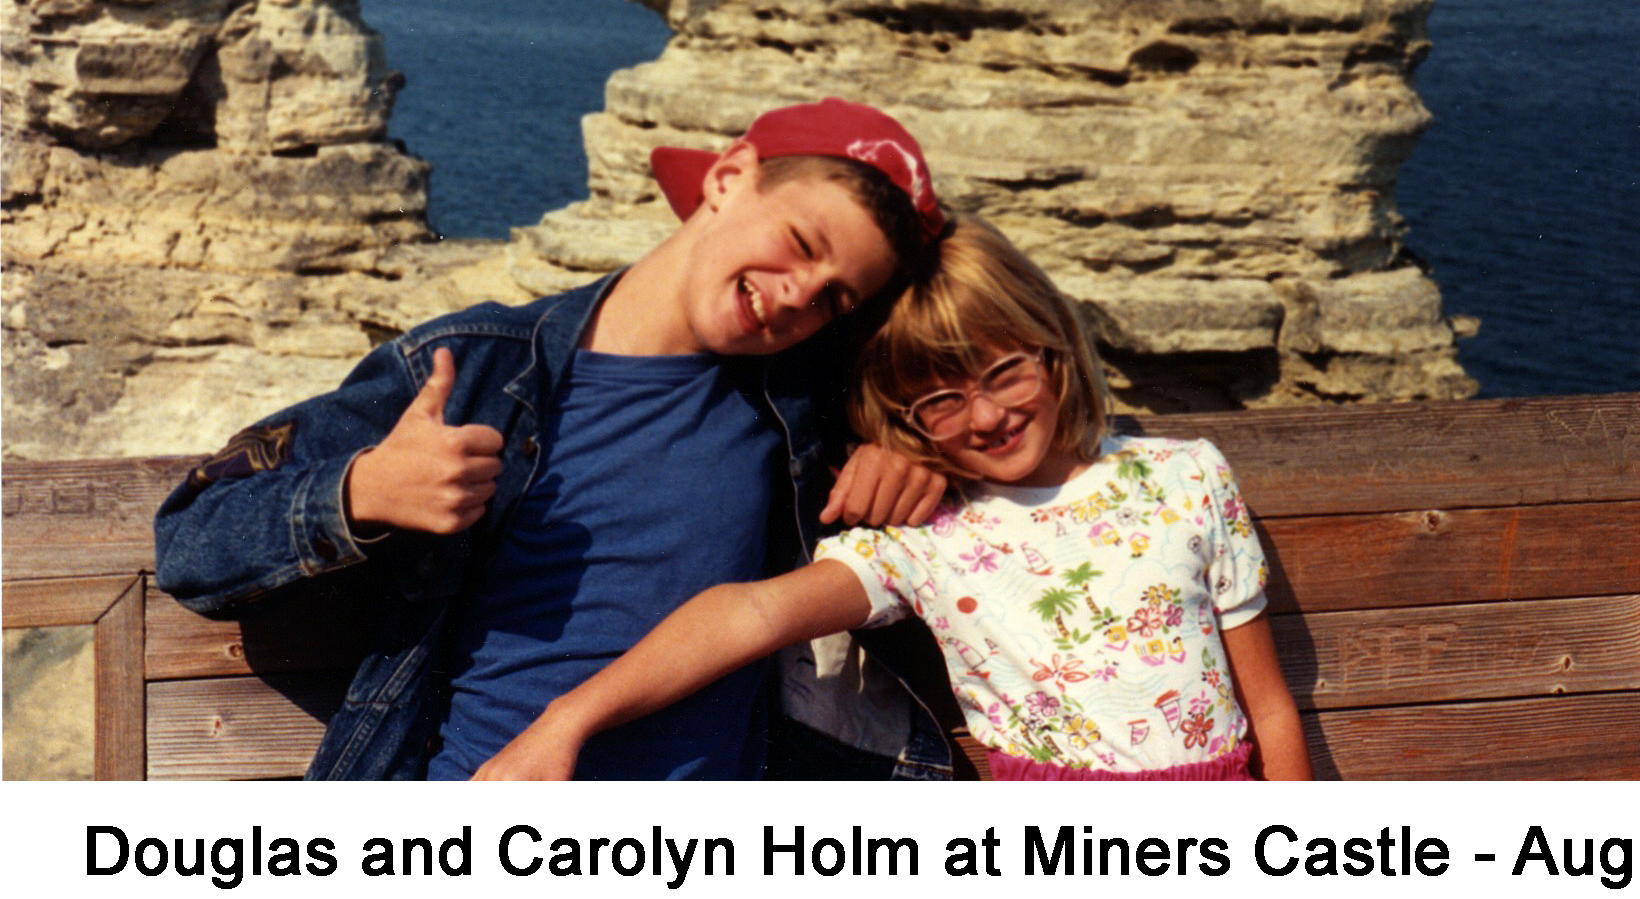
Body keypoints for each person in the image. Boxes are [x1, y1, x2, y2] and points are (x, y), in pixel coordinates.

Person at [153, 98, 957, 780]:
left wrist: (908, 456)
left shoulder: (796, 408)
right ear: (728, 177)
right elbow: (192, 538)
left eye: (832, 299)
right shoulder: (474, 367)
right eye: (802, 244)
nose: (795, 297)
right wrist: (362, 492)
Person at [474, 216, 1313, 781]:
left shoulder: (1186, 476)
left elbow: (1268, 708)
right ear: (900, 416)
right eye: (940, 401)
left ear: (1052, 342)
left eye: (1004, 371)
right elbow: (746, 616)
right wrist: (567, 720)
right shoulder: (924, 535)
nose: (985, 415)